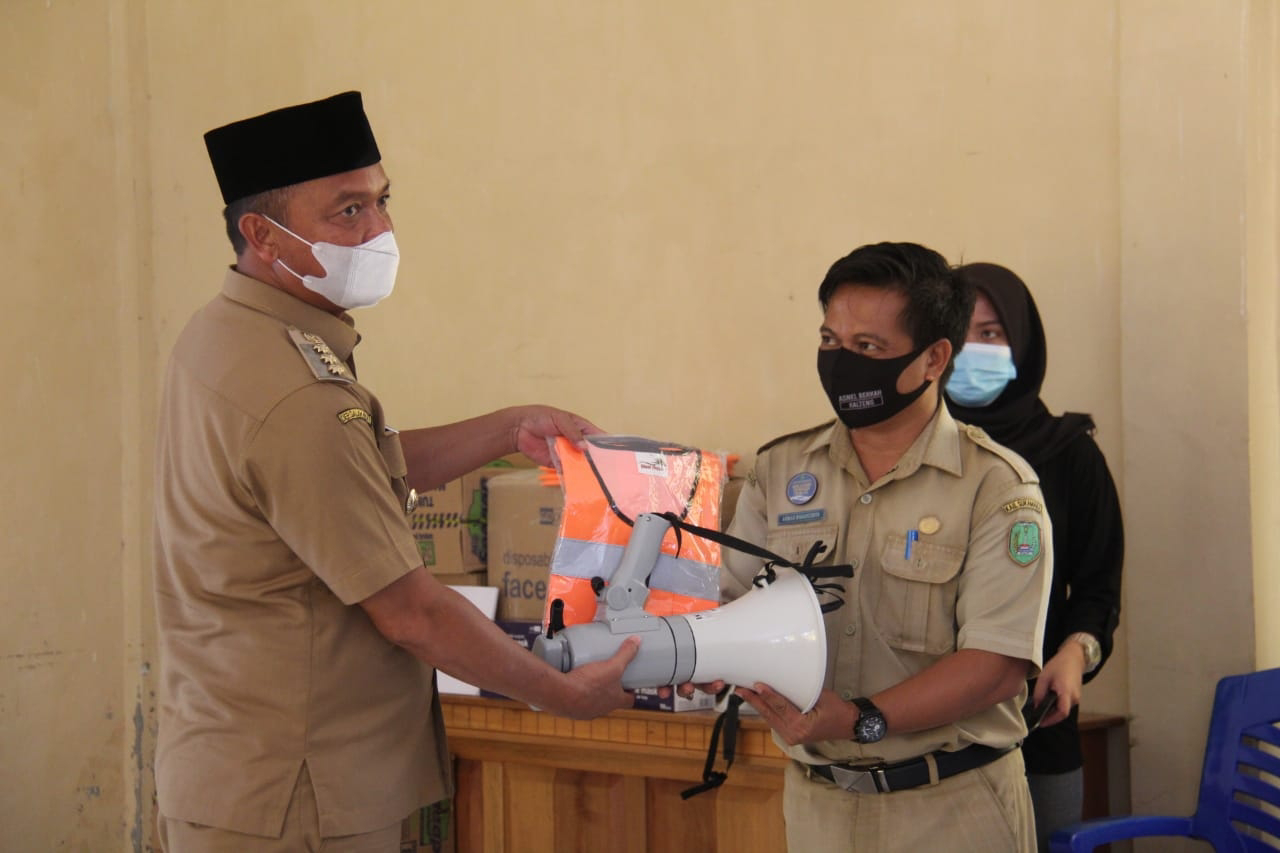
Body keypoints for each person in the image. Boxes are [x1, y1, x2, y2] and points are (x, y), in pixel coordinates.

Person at [152, 91, 640, 853]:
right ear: (262, 234)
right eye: (348, 211)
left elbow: (347, 476)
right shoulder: (295, 394)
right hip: (298, 795)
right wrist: (561, 692)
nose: (379, 231)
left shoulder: (226, 335)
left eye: (382, 201)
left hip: (242, 771)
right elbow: (412, 612)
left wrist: (510, 429)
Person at [717, 242, 1052, 852]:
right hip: (818, 804)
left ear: (933, 359)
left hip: (951, 806)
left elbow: (997, 667)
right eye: (830, 340)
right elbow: (730, 607)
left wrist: (861, 718)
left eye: (868, 347)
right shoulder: (780, 470)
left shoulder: (996, 487)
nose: (841, 362)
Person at [944, 262, 1123, 852]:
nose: (972, 349)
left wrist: (1075, 654)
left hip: (1037, 721)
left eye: (990, 333)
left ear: (1022, 341)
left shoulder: (1071, 455)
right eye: (958, 332)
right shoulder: (909, 453)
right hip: (922, 734)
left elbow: (1098, 590)